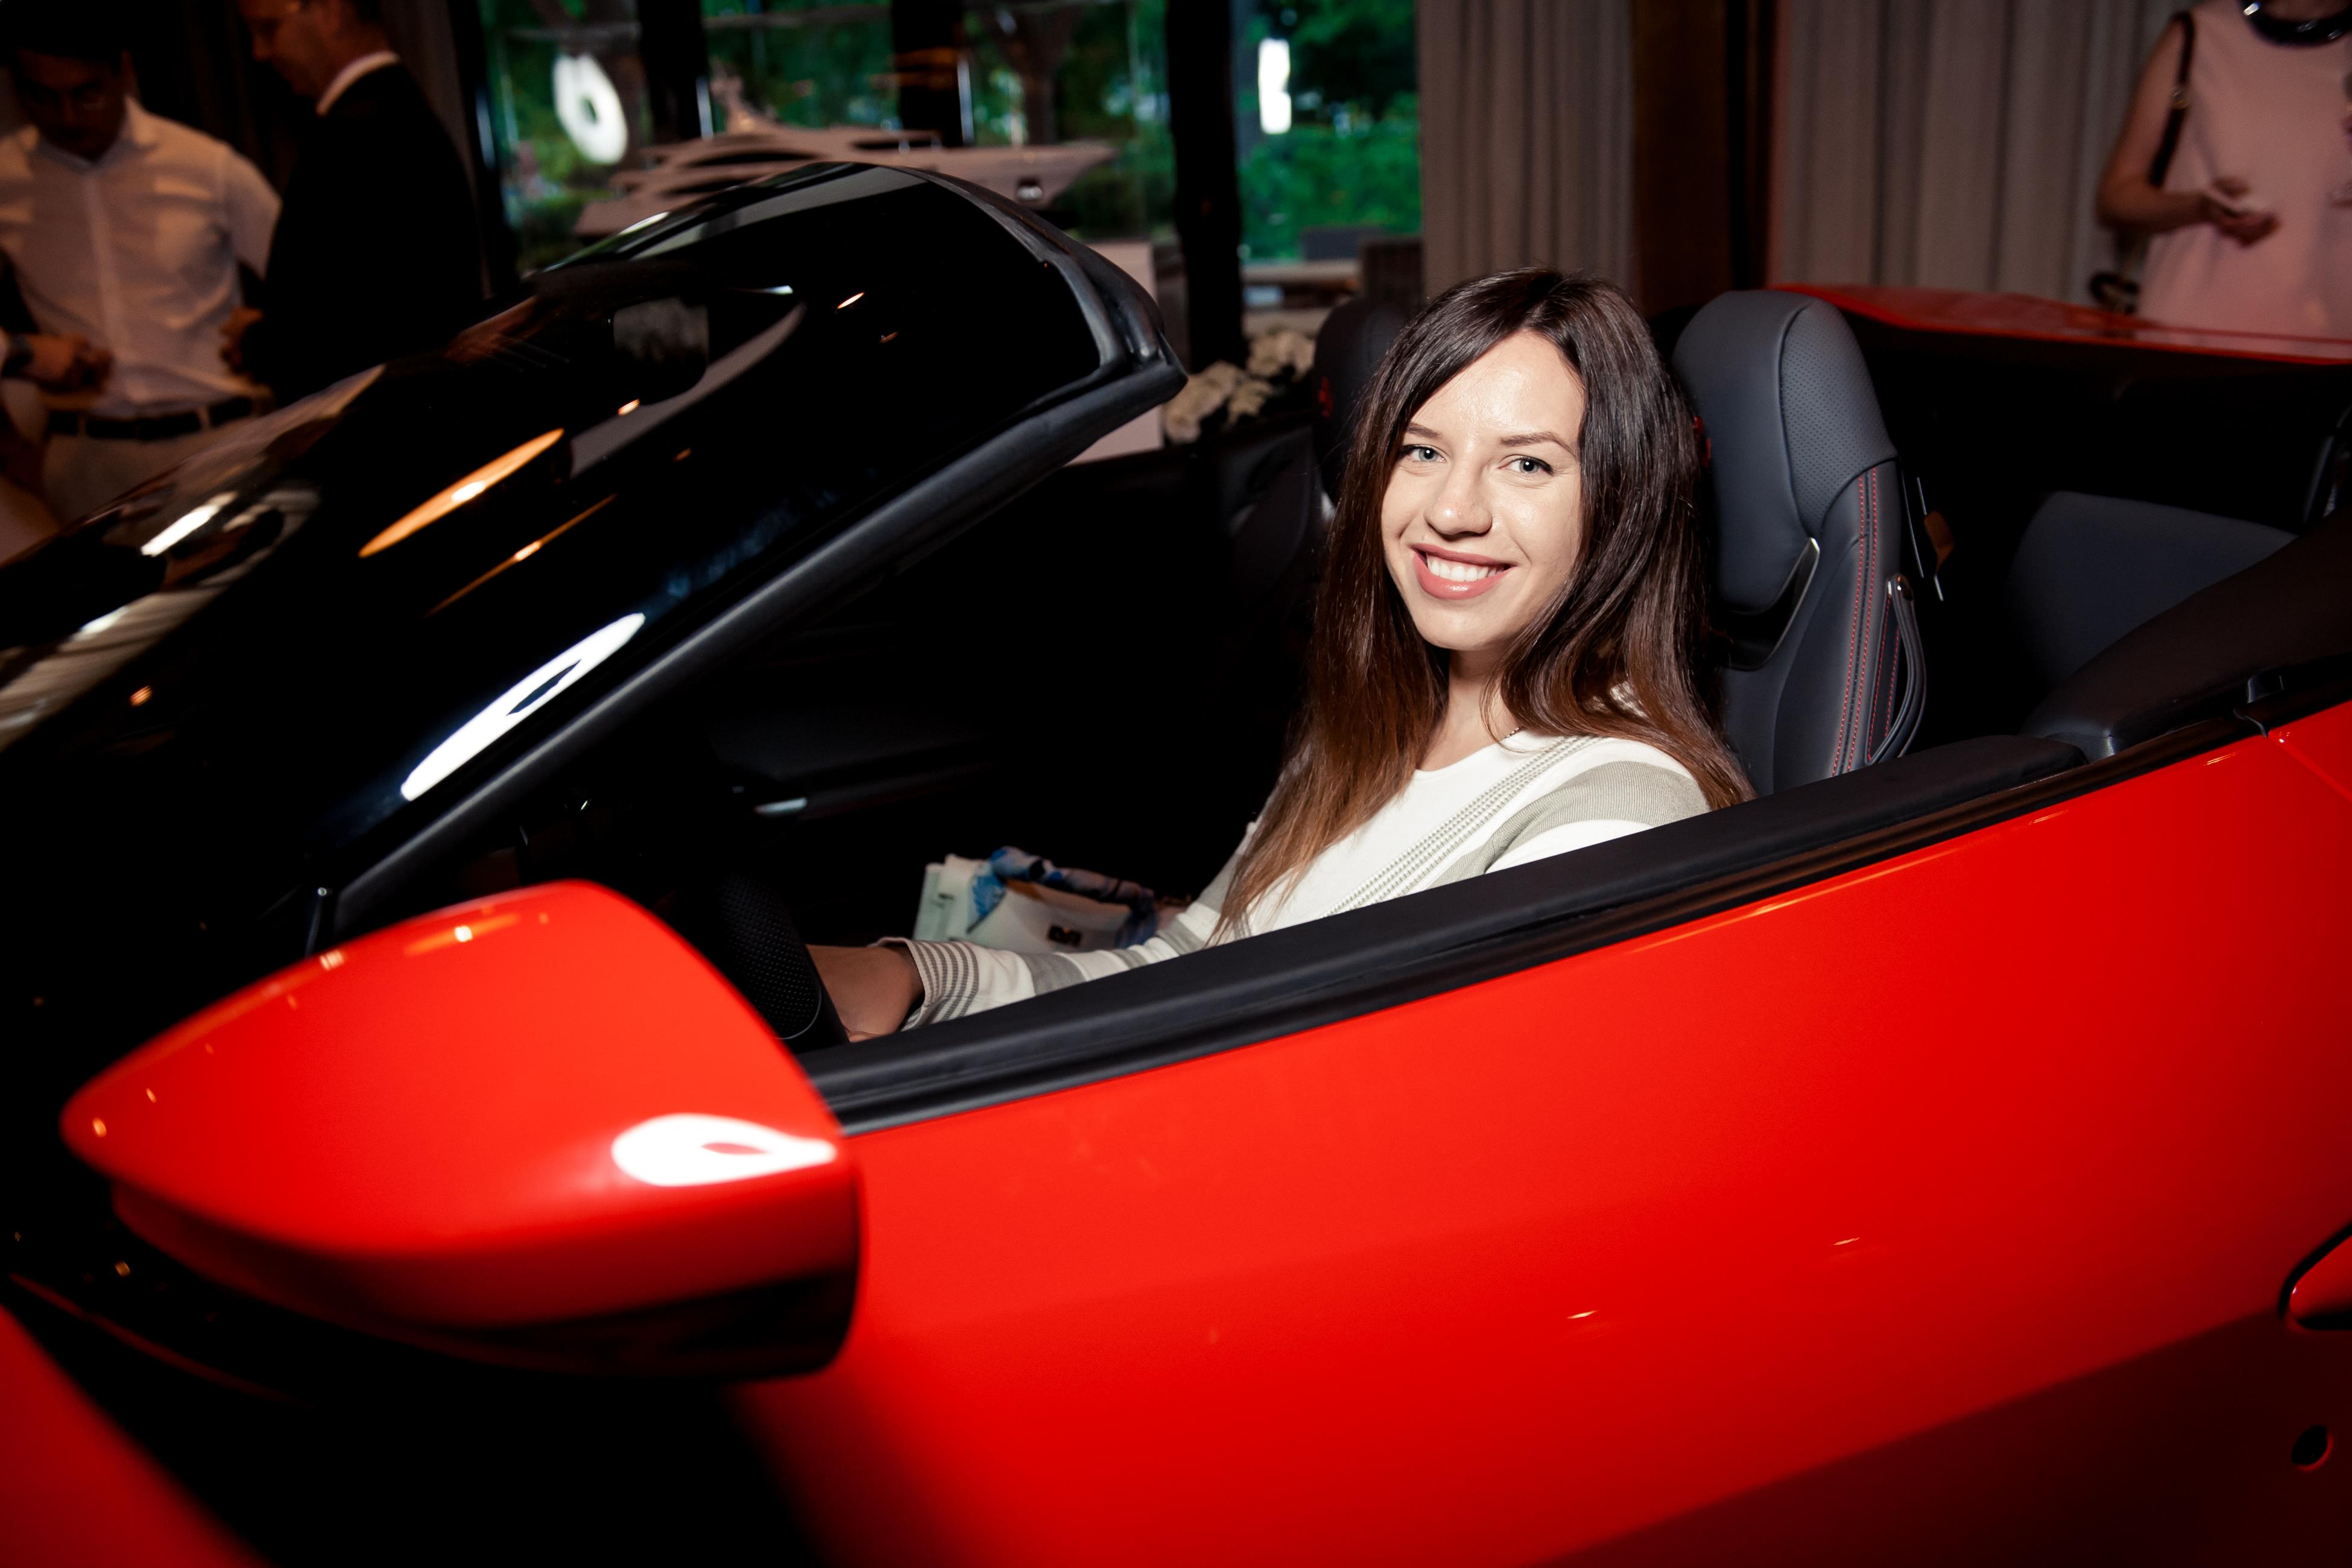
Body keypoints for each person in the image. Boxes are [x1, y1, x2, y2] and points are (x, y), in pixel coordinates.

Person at [812, 270, 1753, 1037]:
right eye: (1422, 451)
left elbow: (1412, 1136)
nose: (1451, 510)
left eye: (1528, 463)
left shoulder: (1613, 818)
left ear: (1621, 503)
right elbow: (1192, 963)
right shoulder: (1377, 725)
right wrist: (923, 978)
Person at [0, 4, 279, 523]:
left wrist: (267, 336)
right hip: (86, 456)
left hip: (216, 438)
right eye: (41, 96)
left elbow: (307, 283)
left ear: (123, 72)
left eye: (87, 94)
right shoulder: (6, 180)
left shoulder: (205, 165)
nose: (67, 116)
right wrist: (12, 447)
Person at [227, 0, 482, 400]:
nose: (260, 53)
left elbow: (340, 340)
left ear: (331, 11)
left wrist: (256, 340)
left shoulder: (352, 137)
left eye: (267, 29)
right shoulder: (399, 110)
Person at [2096, 0, 2352, 338]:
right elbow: (2116, 198)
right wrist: (2199, 207)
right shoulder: (2201, 33)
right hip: (2193, 336)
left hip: (2329, 340)